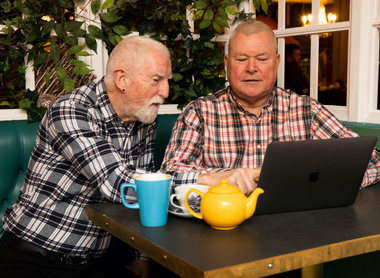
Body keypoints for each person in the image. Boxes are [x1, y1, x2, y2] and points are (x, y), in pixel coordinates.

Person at [0, 35, 172, 278]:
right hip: (33, 257)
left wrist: (141, 257)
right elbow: (119, 184)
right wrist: (204, 184)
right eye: (157, 80)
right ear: (122, 79)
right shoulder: (71, 110)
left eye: (167, 80)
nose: (165, 91)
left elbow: (140, 197)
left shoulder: (142, 119)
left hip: (97, 262)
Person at [161, 20, 380, 196]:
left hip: (294, 230)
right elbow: (168, 175)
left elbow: (372, 161)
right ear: (227, 63)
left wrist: (313, 181)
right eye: (241, 59)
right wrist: (220, 177)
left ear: (276, 62)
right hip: (222, 232)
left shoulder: (305, 111)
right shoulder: (199, 113)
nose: (252, 68)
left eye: (262, 59)